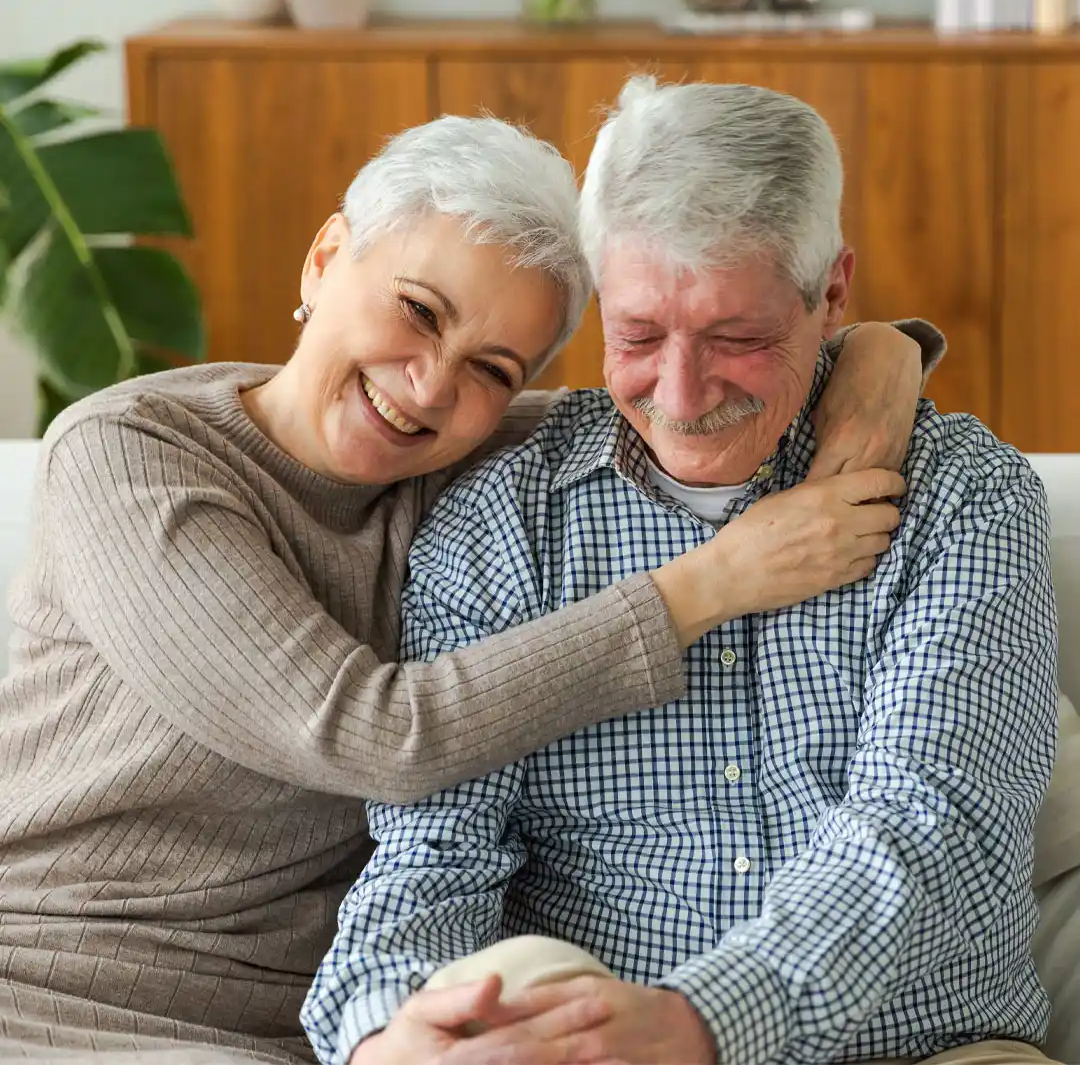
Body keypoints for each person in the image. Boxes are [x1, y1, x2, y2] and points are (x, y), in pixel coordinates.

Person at [0, 112, 936, 1064]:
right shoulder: (130, 456)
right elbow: (371, 732)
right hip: (61, 995)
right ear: (326, 258)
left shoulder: (460, 466)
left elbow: (684, 395)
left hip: (308, 1030)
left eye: (493, 368)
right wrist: (713, 582)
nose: (428, 386)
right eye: (418, 310)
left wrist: (879, 352)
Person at [303, 81, 1059, 1065]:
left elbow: (931, 824)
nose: (680, 393)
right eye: (638, 336)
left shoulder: (963, 497)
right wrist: (379, 1031)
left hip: (922, 1045)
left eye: (737, 340)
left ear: (833, 293)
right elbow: (432, 856)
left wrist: (699, 1024)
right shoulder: (503, 523)